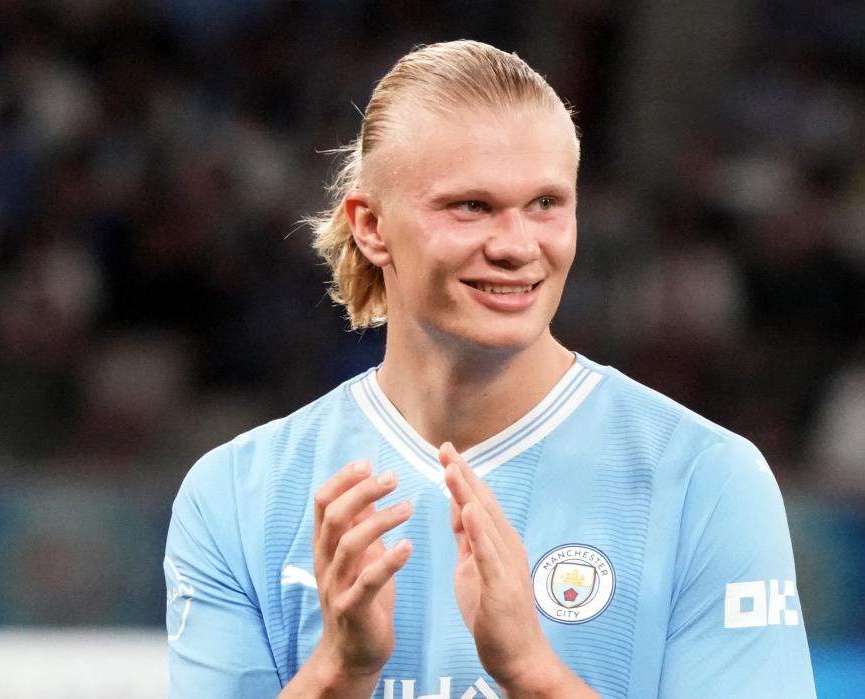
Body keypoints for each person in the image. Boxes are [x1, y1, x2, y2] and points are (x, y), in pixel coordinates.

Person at [164, 40, 815, 698]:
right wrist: (342, 669)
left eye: (545, 204)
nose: (516, 245)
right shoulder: (237, 496)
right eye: (471, 206)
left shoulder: (706, 480)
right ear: (371, 226)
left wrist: (533, 673)